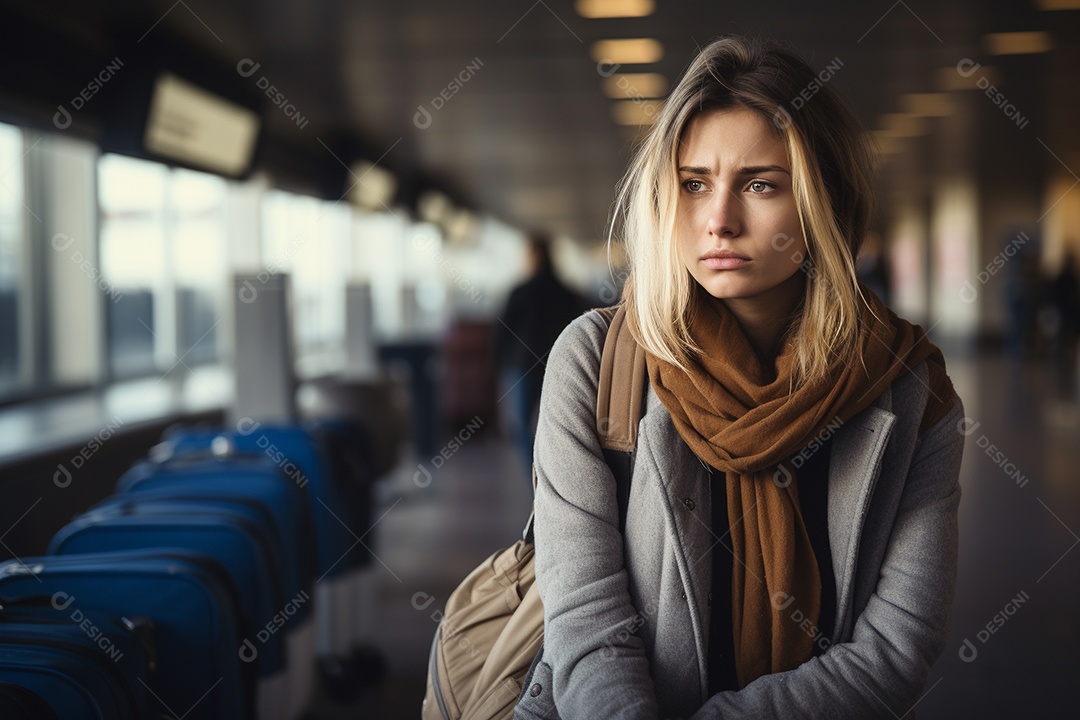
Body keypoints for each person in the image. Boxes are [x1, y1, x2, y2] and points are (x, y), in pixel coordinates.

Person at [516, 36, 964, 720]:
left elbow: (897, 649)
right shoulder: (596, 363)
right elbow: (585, 626)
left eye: (760, 184)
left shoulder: (908, 390)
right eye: (694, 183)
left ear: (824, 203)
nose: (718, 221)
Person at [496, 235, 588, 472]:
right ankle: (555, 475)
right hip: (561, 365)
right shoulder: (567, 293)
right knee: (563, 425)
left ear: (534, 255)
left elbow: (503, 331)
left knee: (523, 425)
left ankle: (536, 475)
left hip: (525, 366)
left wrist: (499, 364)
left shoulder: (520, 291)